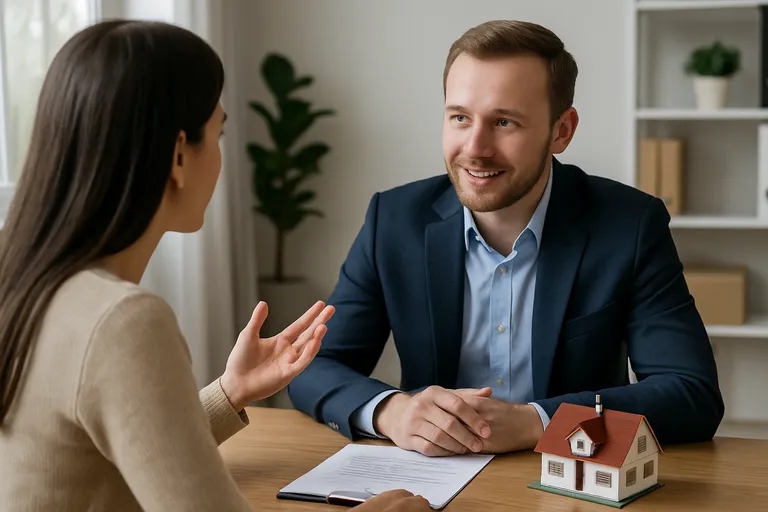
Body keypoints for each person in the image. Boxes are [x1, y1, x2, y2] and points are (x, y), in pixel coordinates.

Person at [0, 19, 430, 512]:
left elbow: (122, 448)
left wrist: (230, 392)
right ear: (179, 156)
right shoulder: (122, 321)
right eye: (218, 132)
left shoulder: (25, 278)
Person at [288, 19, 725, 457]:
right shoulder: (395, 220)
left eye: (504, 122)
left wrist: (537, 422)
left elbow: (691, 392)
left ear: (561, 131)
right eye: (460, 118)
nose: (475, 148)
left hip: (567, 476)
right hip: (428, 478)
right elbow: (312, 365)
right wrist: (391, 411)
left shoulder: (629, 224)